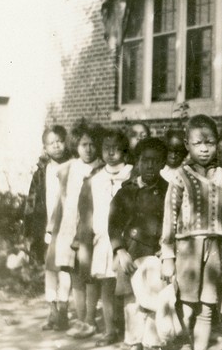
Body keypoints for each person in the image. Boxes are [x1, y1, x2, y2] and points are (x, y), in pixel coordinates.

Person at [160, 115, 222, 350]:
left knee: (206, 308)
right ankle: (182, 344)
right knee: (186, 306)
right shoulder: (180, 177)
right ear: (187, 145)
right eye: (197, 144)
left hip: (216, 250)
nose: (204, 149)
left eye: (209, 143)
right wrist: (168, 256)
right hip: (187, 251)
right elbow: (170, 217)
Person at [109, 137, 169, 350]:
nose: (150, 165)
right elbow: (114, 224)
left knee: (154, 297)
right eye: (145, 160)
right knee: (132, 301)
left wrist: (168, 249)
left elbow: (174, 222)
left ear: (163, 163)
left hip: (156, 253)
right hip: (132, 252)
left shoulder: (168, 191)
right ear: (138, 162)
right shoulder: (127, 191)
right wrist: (120, 250)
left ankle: (152, 342)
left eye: (155, 161)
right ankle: (134, 341)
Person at [75, 128, 134, 344]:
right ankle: (110, 329)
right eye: (106, 148)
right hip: (102, 240)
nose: (110, 153)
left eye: (115, 148)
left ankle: (132, 332)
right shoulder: (95, 179)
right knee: (107, 286)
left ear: (124, 151)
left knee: (128, 289)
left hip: (126, 240)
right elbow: (87, 212)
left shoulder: (132, 174)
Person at [47, 120, 104, 336]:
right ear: (76, 146)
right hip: (70, 228)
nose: (88, 149)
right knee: (75, 276)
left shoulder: (101, 168)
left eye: (92, 144)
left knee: (90, 275)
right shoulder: (69, 168)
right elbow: (61, 201)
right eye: (83, 145)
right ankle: (80, 318)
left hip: (92, 228)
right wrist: (53, 228)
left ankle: (91, 318)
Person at [22, 125, 70, 331]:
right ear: (45, 148)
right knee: (50, 270)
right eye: (52, 143)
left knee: (65, 270)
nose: (57, 146)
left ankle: (64, 310)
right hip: (47, 229)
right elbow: (31, 203)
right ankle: (52, 310)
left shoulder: (73, 167)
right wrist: (29, 232)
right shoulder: (42, 173)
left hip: (67, 228)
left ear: (66, 142)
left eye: (60, 141)